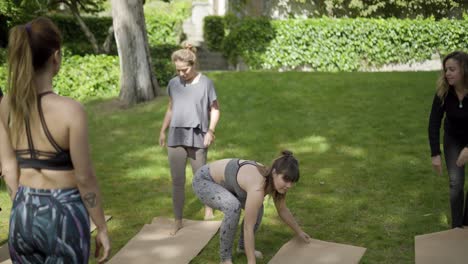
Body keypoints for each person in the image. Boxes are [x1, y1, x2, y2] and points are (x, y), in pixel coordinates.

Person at [0, 17, 110, 263]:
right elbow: (85, 178)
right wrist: (101, 226)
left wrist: (25, 207)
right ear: (56, 57)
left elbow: (8, 167)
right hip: (64, 213)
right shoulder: (71, 110)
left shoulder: (7, 104)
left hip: (22, 211)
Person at [192, 150, 311, 264]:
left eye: (292, 181)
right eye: (286, 179)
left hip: (229, 185)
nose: (289, 185)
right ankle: (224, 259)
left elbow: (282, 209)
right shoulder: (257, 186)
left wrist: (299, 232)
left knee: (257, 209)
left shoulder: (278, 184)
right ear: (274, 173)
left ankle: (243, 248)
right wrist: (251, 262)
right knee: (233, 207)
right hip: (205, 181)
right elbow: (248, 227)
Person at [159, 43, 220, 235]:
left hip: (198, 136)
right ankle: (178, 220)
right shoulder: (173, 84)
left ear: (193, 64)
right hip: (176, 136)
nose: (181, 74)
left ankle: (208, 207)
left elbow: (215, 109)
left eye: (184, 69)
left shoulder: (206, 83)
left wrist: (210, 131)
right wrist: (162, 130)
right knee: (177, 181)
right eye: (178, 70)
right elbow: (171, 108)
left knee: (200, 177)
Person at [428, 51, 468, 228]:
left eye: (452, 69)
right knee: (456, 184)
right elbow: (434, 123)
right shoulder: (443, 92)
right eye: (446, 70)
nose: (447, 74)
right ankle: (457, 228)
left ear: (464, 70)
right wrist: (435, 153)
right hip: (453, 139)